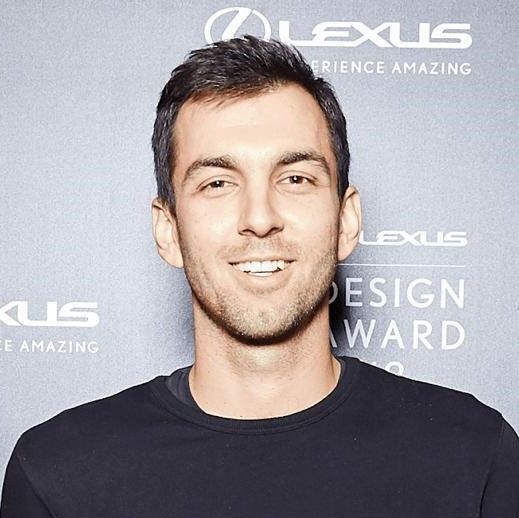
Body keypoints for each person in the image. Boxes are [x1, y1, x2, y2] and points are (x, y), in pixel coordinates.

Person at [1, 35, 518, 517]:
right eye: (217, 183)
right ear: (167, 229)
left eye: (295, 178)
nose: (259, 217)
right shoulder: (56, 473)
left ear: (346, 221)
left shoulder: (475, 455)